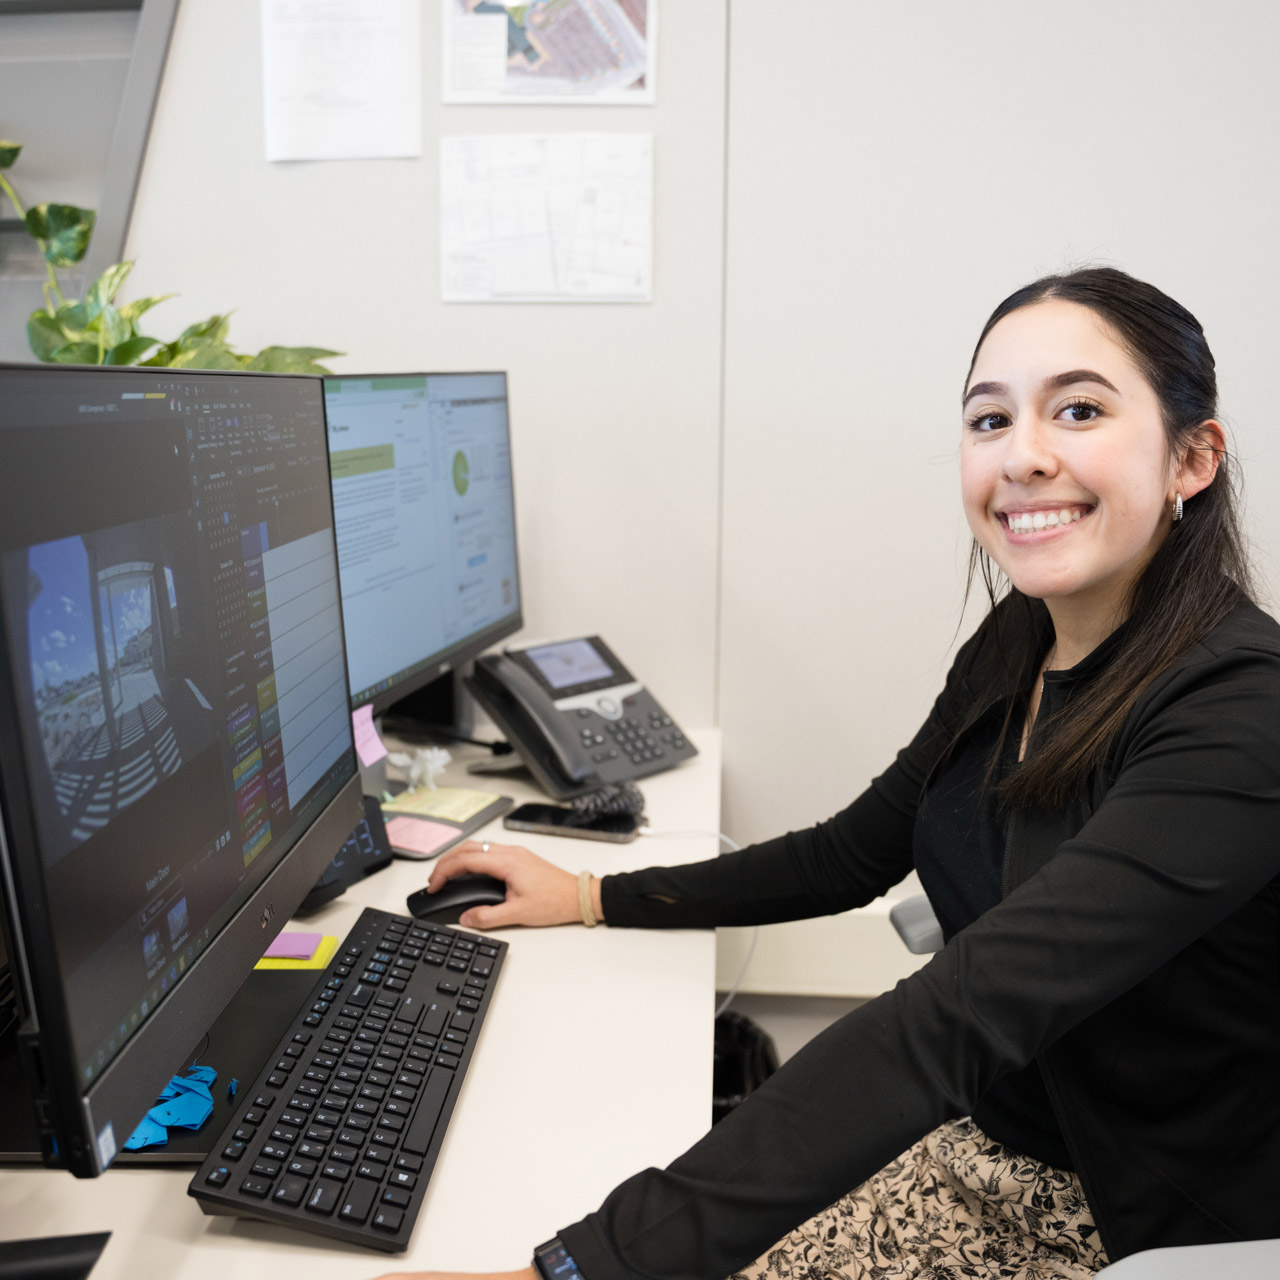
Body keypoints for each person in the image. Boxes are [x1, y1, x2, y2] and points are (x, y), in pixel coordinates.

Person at [372, 268, 1280, 1280]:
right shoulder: (1021, 640)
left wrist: (578, 1270)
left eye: (1077, 409)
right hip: (986, 1130)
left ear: (1189, 457)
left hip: (1115, 1213)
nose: (1022, 456)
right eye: (987, 420)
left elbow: (957, 1012)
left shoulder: (1242, 713)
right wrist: (589, 893)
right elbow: (852, 851)